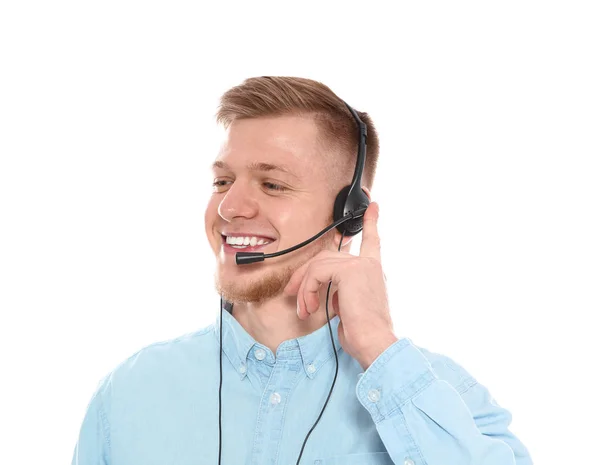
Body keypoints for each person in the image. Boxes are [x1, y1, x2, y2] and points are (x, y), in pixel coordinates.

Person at [71, 76, 533, 465]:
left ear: (348, 217)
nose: (230, 208)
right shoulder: (129, 392)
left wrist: (376, 344)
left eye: (273, 184)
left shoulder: (442, 397)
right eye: (222, 182)